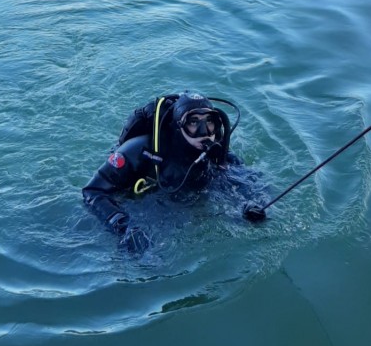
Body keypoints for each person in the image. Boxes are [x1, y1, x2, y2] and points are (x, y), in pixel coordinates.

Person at [82, 90, 267, 253]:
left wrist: (251, 206)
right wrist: (123, 225)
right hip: (142, 206)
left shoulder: (218, 156)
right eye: (194, 122)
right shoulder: (138, 151)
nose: (205, 131)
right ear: (178, 125)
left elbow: (250, 184)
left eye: (209, 121)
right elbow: (93, 191)